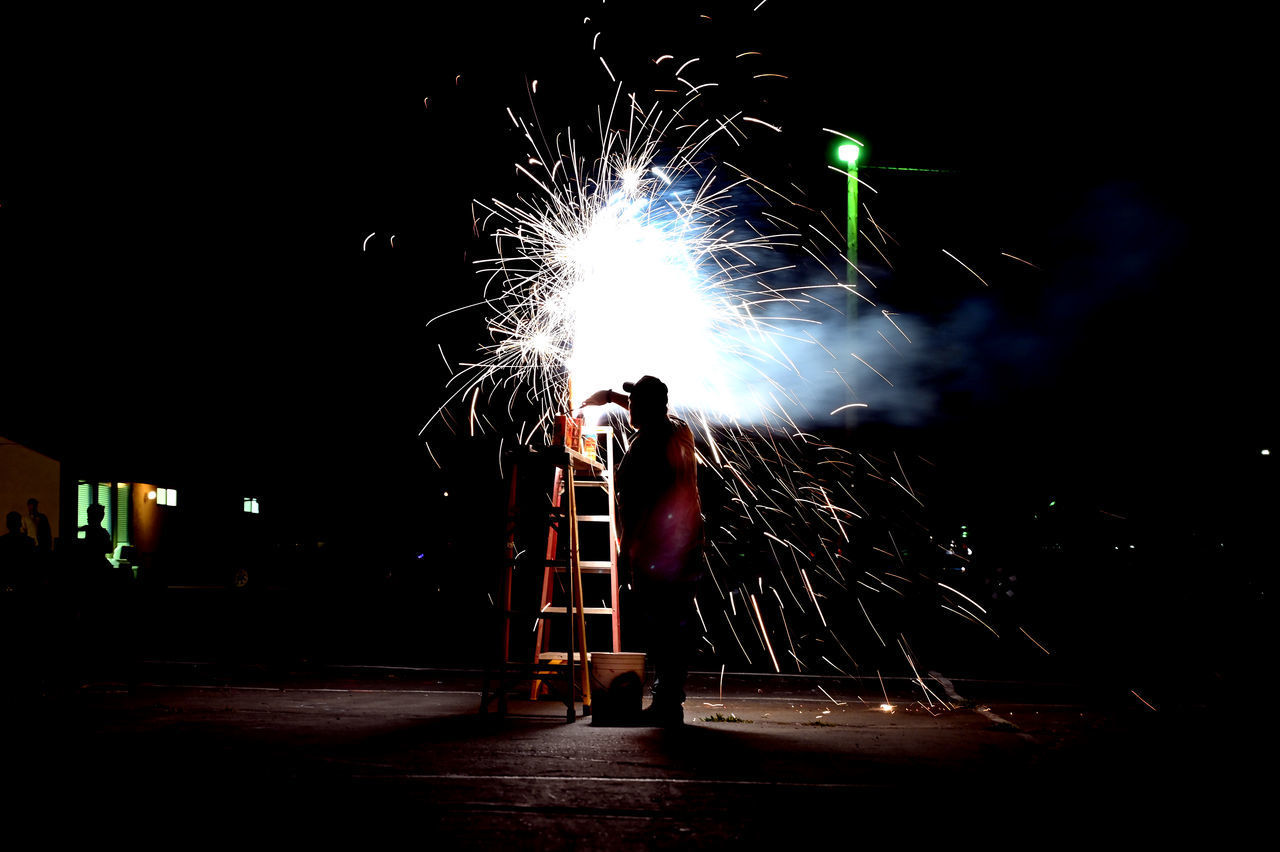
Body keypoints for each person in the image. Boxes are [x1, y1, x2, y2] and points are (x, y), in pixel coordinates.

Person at [582, 376, 703, 725]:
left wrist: (626, 551)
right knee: (674, 624)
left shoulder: (646, 446)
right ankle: (669, 700)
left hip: (660, 550)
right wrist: (609, 397)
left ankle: (667, 705)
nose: (628, 406)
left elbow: (638, 506)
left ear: (646, 409)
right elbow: (652, 414)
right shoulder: (679, 431)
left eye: (634, 403)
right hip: (687, 545)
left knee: (663, 627)